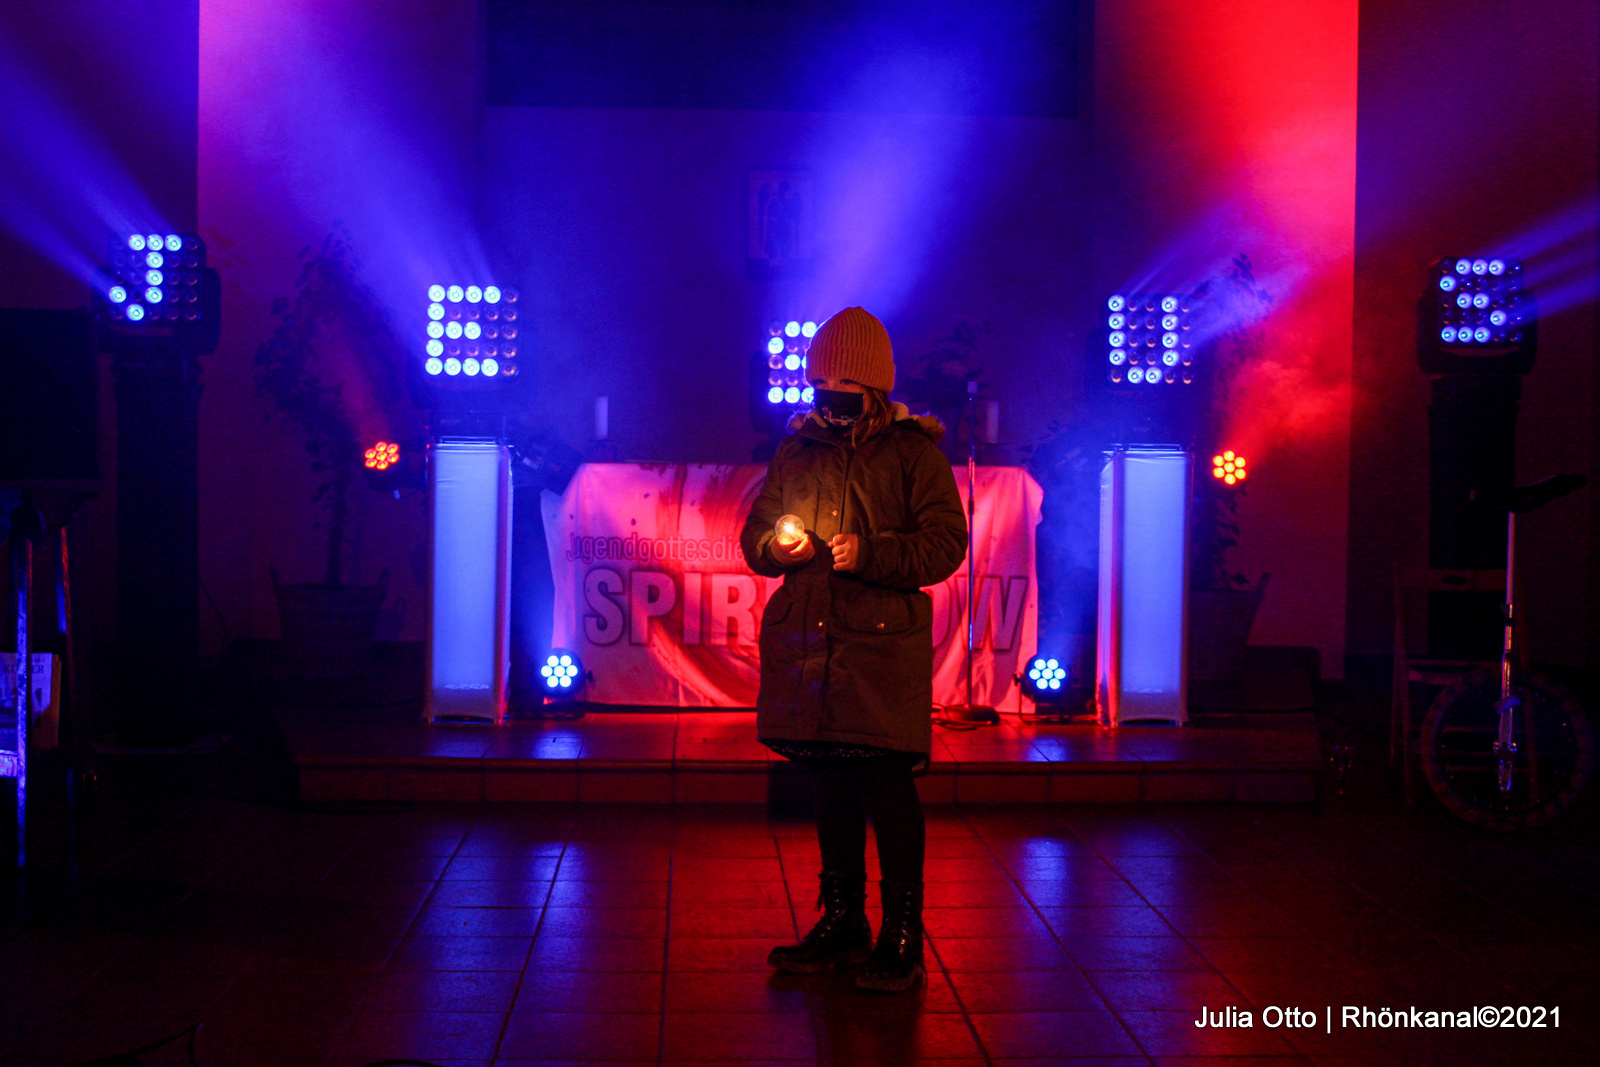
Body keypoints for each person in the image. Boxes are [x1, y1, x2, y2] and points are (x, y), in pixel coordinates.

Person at [740, 306, 966, 991]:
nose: (828, 394)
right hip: (815, 645)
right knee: (830, 779)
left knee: (887, 786)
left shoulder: (912, 453)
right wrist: (774, 547)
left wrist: (870, 553)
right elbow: (753, 535)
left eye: (844, 381)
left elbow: (945, 544)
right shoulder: (796, 449)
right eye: (820, 379)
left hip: (878, 651)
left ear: (874, 385)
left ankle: (901, 931)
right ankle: (843, 920)